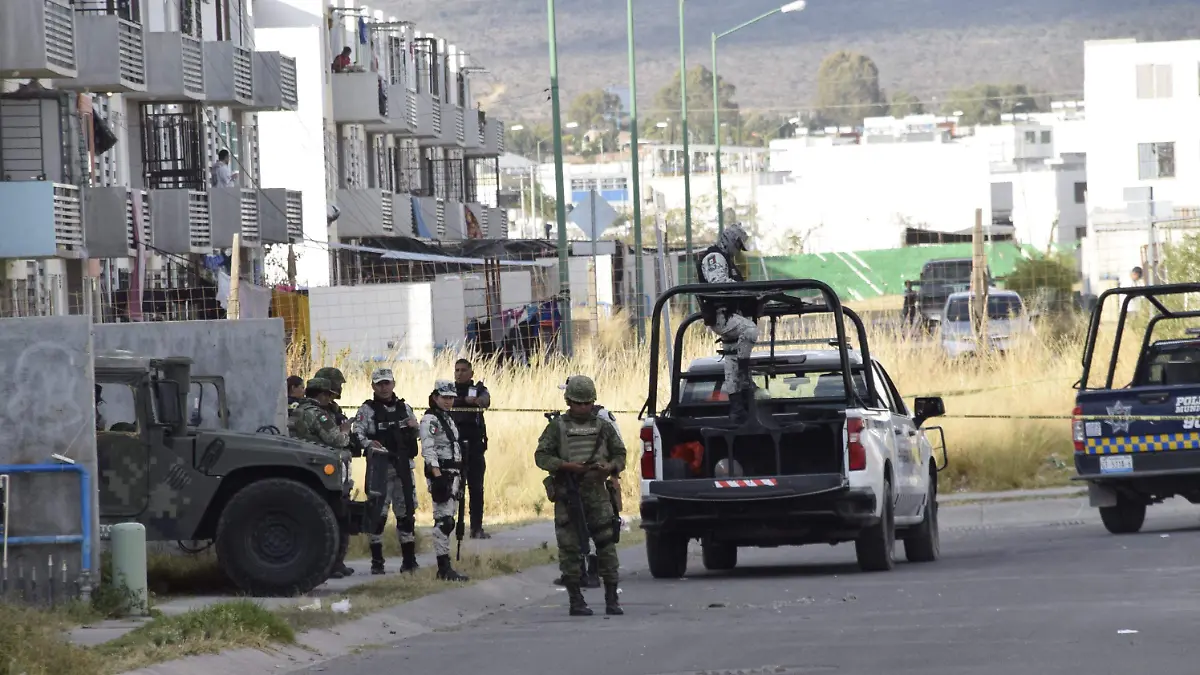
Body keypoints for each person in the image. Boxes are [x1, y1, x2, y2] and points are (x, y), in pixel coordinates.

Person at [534, 375, 627, 617]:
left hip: (597, 492)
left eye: (587, 403)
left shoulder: (603, 426)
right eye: (578, 403)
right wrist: (566, 466)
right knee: (570, 548)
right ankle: (576, 600)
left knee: (607, 544)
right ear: (568, 401)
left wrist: (610, 467)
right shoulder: (557, 427)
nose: (583, 408)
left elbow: (620, 454)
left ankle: (611, 598)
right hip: (569, 493)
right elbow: (541, 456)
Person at [352, 368, 421, 575]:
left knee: (406, 513)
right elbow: (358, 434)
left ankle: (409, 561)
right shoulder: (367, 410)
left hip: (403, 468)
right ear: (373, 386)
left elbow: (417, 433)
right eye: (379, 384)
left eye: (387, 383)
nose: (384, 387)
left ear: (393, 384)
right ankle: (377, 561)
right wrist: (369, 444)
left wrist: (414, 426)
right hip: (380, 467)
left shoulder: (404, 408)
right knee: (377, 515)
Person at [696, 223, 759, 419]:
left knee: (731, 357)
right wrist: (746, 289)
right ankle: (745, 374)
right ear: (731, 241)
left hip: (730, 313)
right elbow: (718, 283)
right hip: (721, 315)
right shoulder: (715, 257)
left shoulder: (725, 259)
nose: (738, 251)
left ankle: (736, 406)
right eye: (738, 245)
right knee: (750, 330)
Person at [421, 380, 471, 582]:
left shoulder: (447, 418)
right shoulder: (430, 419)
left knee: (450, 520)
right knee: (444, 521)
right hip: (442, 475)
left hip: (454, 474)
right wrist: (437, 475)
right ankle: (443, 568)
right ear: (435, 397)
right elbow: (428, 449)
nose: (449, 401)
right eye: (445, 397)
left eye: (451, 397)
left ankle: (446, 566)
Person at [313, 366, 356, 579]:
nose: (339, 390)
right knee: (329, 519)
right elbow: (335, 437)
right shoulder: (315, 410)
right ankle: (328, 563)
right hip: (324, 470)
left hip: (339, 469)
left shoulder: (334, 409)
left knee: (342, 517)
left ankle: (338, 562)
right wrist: (344, 432)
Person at [450, 358, 492, 539]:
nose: (460, 373)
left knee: (476, 488)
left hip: (474, 446)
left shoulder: (479, 389)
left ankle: (476, 527)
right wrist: (464, 400)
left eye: (463, 370)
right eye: (457, 370)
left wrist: (477, 400)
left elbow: (485, 401)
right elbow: (436, 400)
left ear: (471, 373)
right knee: (453, 487)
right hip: (454, 447)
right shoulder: (448, 390)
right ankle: (449, 526)